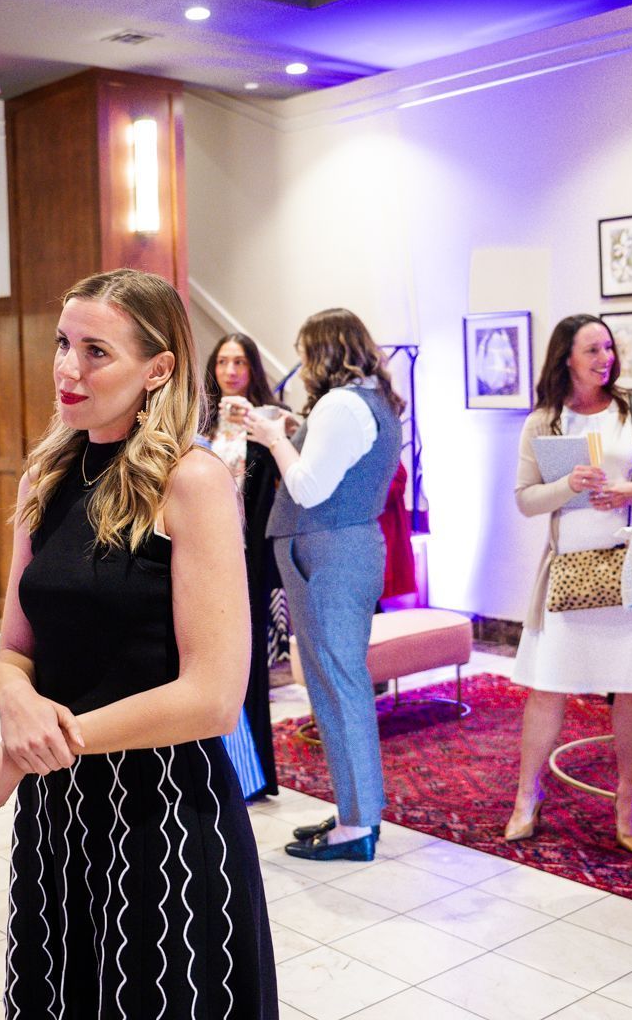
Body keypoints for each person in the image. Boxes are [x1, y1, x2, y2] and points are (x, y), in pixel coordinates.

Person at [0, 269, 276, 1018]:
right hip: (58, 811)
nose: (68, 368)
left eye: (95, 351)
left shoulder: (190, 482)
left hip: (162, 813)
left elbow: (214, 698)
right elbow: (14, 653)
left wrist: (35, 744)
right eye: (64, 344)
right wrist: (16, 712)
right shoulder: (48, 473)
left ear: (157, 369)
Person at [507, 314, 632, 851]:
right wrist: (566, 485)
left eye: (608, 347)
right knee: (548, 687)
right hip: (569, 575)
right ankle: (525, 796)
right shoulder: (544, 421)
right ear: (567, 358)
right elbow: (525, 499)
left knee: (631, 689)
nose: (605, 358)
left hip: (629, 572)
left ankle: (626, 799)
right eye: (592, 350)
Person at [245, 308, 404, 862]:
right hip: (349, 547)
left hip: (328, 552)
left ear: (323, 351)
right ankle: (356, 813)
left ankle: (358, 825)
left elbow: (309, 488)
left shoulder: (340, 403)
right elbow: (331, 462)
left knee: (338, 688)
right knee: (339, 685)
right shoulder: (373, 399)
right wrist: (295, 431)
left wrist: (270, 436)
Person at [203, 331, 282, 798]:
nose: (231, 371)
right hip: (202, 551)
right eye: (223, 363)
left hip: (250, 554)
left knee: (246, 659)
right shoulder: (200, 420)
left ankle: (253, 774)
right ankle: (218, 765)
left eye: (240, 363)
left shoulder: (269, 421)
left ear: (252, 369)